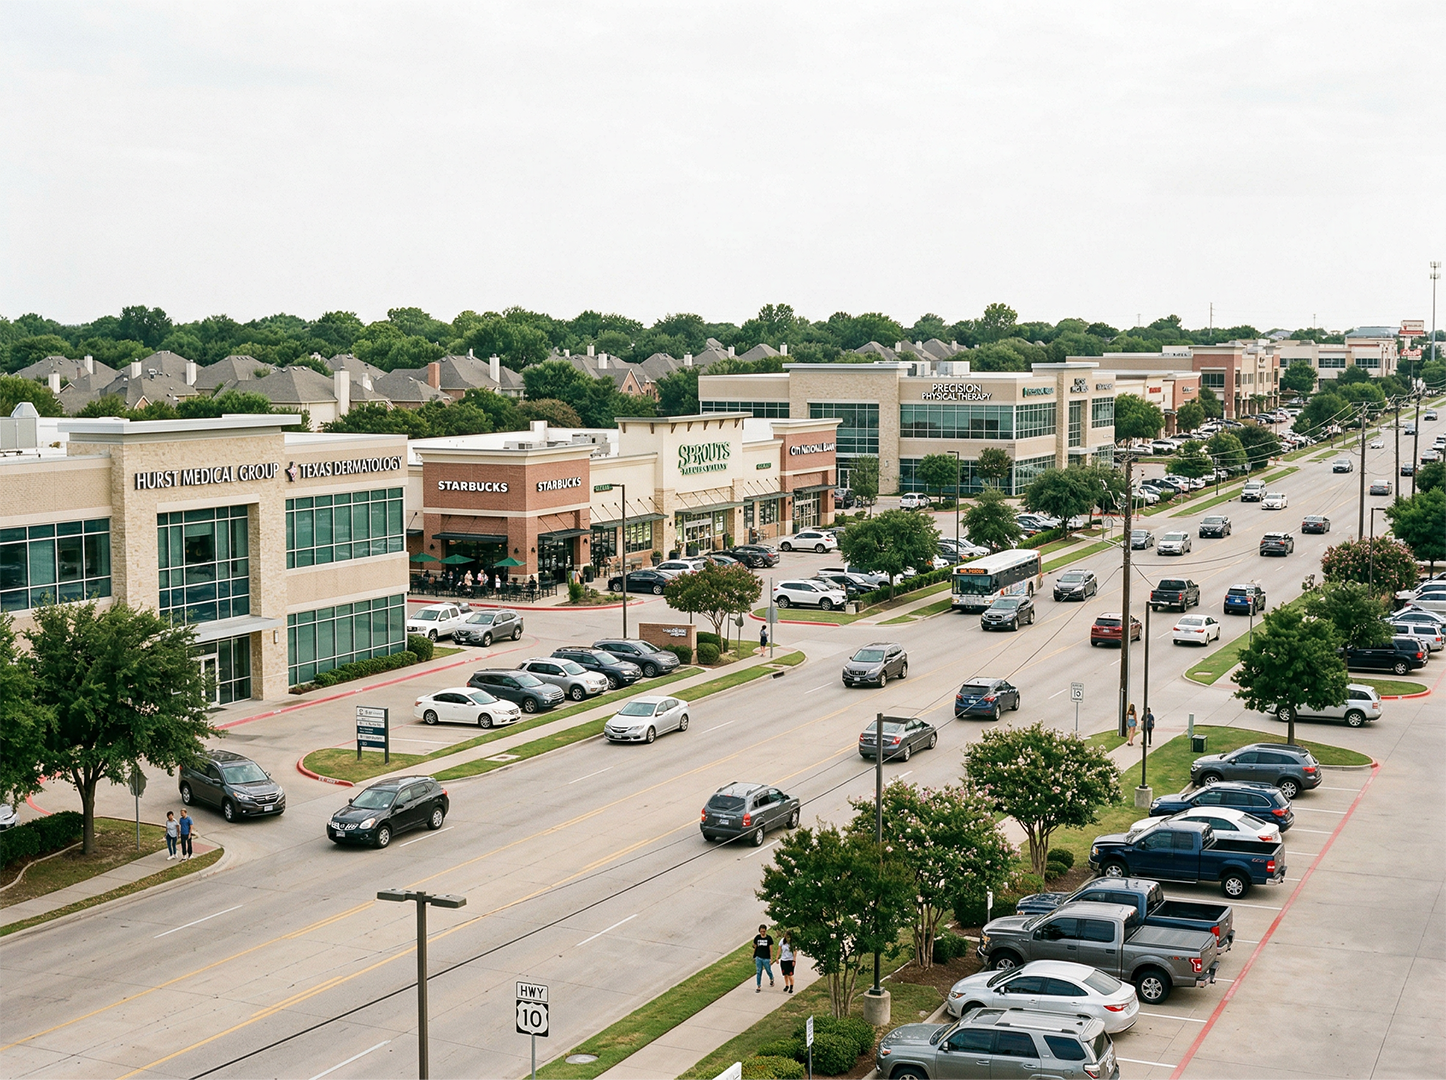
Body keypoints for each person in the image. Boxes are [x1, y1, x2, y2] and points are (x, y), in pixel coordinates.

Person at [752, 924, 774, 992]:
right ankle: (758, 986)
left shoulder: (769, 938)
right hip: (758, 957)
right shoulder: (757, 938)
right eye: (761, 931)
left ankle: (771, 978)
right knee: (759, 971)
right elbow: (755, 946)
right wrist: (754, 955)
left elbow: (771, 949)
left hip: (766, 958)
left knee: (768, 970)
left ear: (766, 931)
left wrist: (771, 958)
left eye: (764, 931)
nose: (762, 932)